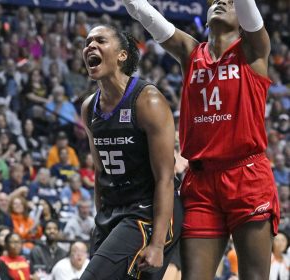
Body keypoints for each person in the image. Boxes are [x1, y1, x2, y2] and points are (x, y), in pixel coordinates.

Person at [122, 0, 280, 279]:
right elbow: (142, 11)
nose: (221, 2)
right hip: (201, 182)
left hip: (247, 175)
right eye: (216, 1)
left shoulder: (253, 50)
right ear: (204, 19)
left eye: (230, 2)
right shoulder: (191, 53)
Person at [79, 24, 182, 280]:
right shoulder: (88, 107)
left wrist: (158, 244)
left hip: (147, 210)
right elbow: (100, 171)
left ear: (122, 55)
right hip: (112, 211)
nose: (90, 46)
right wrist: (100, 220)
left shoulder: (148, 101)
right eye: (88, 42)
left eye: (100, 40)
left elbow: (165, 178)